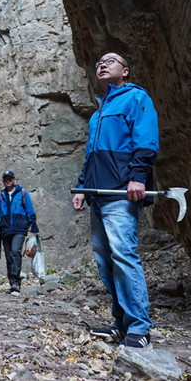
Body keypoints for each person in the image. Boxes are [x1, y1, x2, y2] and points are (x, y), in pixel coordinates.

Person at [71, 52, 159, 349]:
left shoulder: (136, 98)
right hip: (98, 194)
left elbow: (145, 140)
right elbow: (91, 155)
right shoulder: (98, 113)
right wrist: (82, 187)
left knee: (123, 255)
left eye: (110, 61)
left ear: (126, 70)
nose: (102, 64)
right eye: (99, 63)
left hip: (121, 192)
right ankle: (121, 324)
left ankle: (139, 327)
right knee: (105, 260)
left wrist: (138, 177)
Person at [0, 171, 39, 293]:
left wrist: (34, 226)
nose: (8, 181)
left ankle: (16, 282)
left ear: (14, 180)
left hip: (19, 228)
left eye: (10, 179)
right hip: (5, 229)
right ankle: (13, 283)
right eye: (5, 179)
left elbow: (29, 209)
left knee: (15, 252)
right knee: (9, 257)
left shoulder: (23, 193)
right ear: (3, 181)